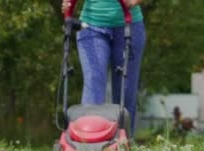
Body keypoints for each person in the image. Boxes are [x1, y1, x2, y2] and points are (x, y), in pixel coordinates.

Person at [61, 0, 146, 136]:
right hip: (91, 27)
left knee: (126, 90)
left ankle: (125, 142)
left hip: (129, 24)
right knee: (94, 82)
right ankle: (89, 143)